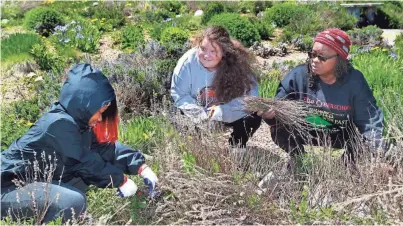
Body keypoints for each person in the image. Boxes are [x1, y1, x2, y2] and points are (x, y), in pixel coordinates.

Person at [1, 63, 158, 223]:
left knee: (78, 182)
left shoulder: (78, 123)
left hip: (29, 183)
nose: (100, 118)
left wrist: (140, 166)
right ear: (85, 105)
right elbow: (85, 163)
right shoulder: (59, 124)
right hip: (7, 188)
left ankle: (69, 218)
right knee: (73, 201)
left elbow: (104, 148)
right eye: (100, 112)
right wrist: (121, 181)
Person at [259, 28, 385, 168]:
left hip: (340, 138)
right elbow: (279, 110)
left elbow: (369, 120)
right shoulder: (298, 76)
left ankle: (343, 165)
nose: (314, 60)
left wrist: (377, 152)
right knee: (280, 129)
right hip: (306, 135)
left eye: (322, 57)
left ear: (340, 59)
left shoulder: (354, 81)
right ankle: (300, 159)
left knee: (362, 143)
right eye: (312, 54)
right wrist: (270, 116)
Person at [170, 25, 262, 148]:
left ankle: (237, 145)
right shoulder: (187, 63)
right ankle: (195, 148)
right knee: (176, 113)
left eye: (213, 51)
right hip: (199, 113)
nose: (207, 55)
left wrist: (223, 112)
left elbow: (252, 97)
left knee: (254, 115)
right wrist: (199, 114)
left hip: (227, 112)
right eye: (203, 49)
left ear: (224, 52)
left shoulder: (238, 63)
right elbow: (179, 94)